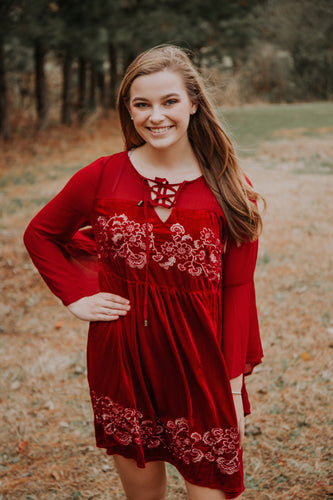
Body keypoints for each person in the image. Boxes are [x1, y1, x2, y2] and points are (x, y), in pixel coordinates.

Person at [24, 45, 264, 500]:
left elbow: (238, 290)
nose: (156, 116)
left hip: (200, 365)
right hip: (123, 360)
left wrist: (231, 387)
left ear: (194, 102)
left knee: (210, 490)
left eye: (169, 101)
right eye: (142, 104)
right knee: (142, 494)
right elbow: (41, 234)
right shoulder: (102, 175)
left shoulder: (232, 188)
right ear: (128, 110)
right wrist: (76, 296)